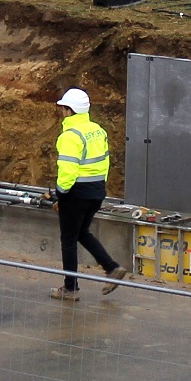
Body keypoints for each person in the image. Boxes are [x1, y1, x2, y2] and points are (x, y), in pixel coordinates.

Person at [49, 87, 125, 302]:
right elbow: (106, 162)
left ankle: (70, 288)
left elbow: (68, 171)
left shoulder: (70, 136)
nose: (61, 111)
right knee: (82, 232)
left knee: (69, 239)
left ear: (69, 110)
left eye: (63, 108)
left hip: (77, 193)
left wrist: (61, 196)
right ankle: (111, 267)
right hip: (97, 190)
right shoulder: (97, 130)